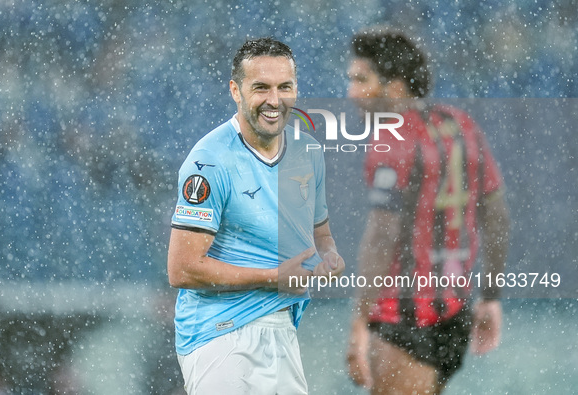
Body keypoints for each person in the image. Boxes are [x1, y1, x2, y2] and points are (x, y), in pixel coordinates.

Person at [167, 37, 345, 395]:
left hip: (283, 328)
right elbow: (182, 268)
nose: (274, 100)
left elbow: (320, 233)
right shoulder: (209, 161)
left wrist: (328, 259)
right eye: (260, 87)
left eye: (284, 87)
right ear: (235, 90)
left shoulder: (308, 152)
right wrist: (273, 277)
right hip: (220, 331)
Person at [345, 28, 510, 394]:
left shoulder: (391, 139)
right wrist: (491, 299)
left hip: (404, 318)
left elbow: (381, 237)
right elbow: (497, 217)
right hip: (454, 313)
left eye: (361, 80)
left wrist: (358, 326)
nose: (351, 92)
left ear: (396, 86)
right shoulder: (460, 124)